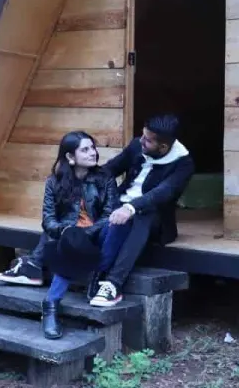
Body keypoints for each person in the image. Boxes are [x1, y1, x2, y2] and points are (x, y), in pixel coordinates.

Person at [44, 113, 194, 322]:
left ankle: (113, 282)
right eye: (142, 135)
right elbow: (110, 170)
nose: (141, 140)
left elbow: (163, 193)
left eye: (148, 140)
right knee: (72, 219)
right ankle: (38, 269)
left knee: (143, 213)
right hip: (118, 211)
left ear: (163, 147)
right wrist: (76, 178)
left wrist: (131, 207)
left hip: (152, 220)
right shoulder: (137, 145)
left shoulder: (183, 164)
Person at [0, 132, 116, 288]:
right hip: (65, 235)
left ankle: (33, 266)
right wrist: (64, 231)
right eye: (85, 150)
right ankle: (33, 268)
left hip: (93, 235)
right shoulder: (54, 181)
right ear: (70, 157)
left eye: (92, 148)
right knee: (54, 229)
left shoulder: (105, 178)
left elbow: (108, 215)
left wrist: (82, 232)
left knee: (61, 234)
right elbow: (48, 218)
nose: (93, 153)